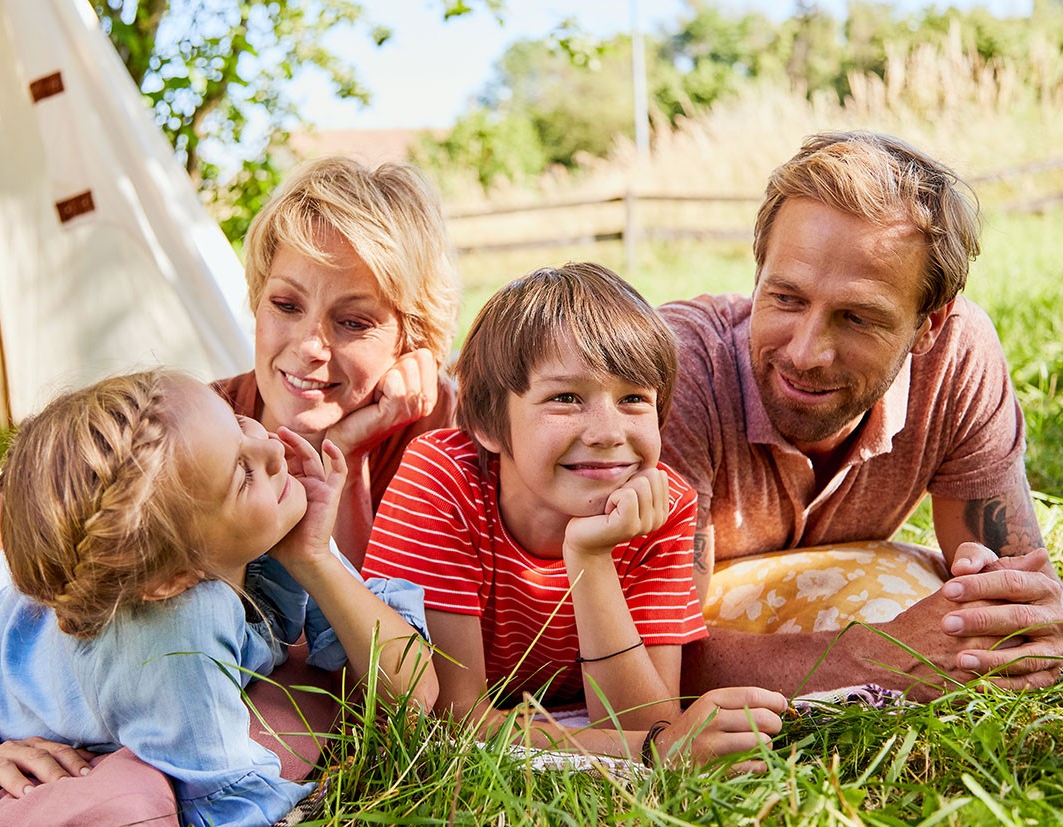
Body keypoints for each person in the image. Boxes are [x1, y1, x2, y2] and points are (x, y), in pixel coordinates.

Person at [0, 156, 461, 811]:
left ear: (415, 338)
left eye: (354, 321)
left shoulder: (438, 438)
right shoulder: (154, 448)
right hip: (2, 622)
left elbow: (413, 682)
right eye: (286, 303)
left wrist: (349, 452)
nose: (308, 345)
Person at [0, 369, 435, 827]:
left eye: (240, 425)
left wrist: (315, 558)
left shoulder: (249, 529)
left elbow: (415, 692)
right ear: (172, 580)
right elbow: (229, 801)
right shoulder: (177, 632)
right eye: (242, 473)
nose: (274, 450)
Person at [657, 130, 1063, 697]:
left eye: (856, 318)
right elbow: (645, 656)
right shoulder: (675, 371)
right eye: (786, 298)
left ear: (929, 325)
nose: (804, 352)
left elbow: (1009, 600)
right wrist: (876, 659)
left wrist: (1030, 624)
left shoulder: (958, 359)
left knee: (919, 585)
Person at [362, 263, 786, 767]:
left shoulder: (665, 506)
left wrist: (591, 556)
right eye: (565, 398)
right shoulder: (441, 481)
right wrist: (653, 750)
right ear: (487, 424)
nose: (608, 432)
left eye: (634, 399)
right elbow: (453, 722)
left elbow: (644, 716)